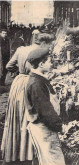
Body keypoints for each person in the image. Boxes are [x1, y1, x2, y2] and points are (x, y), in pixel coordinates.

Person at [1, 33, 55, 164]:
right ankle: (29, 152)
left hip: (18, 83)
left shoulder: (20, 50)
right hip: (31, 81)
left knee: (16, 116)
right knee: (30, 115)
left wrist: (20, 71)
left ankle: (14, 152)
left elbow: (8, 66)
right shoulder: (42, 52)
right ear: (42, 42)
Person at [25, 48, 65, 165]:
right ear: (41, 64)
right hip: (44, 129)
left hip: (46, 127)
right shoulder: (36, 84)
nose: (52, 63)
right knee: (55, 161)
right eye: (49, 61)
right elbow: (45, 111)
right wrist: (59, 126)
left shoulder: (40, 79)